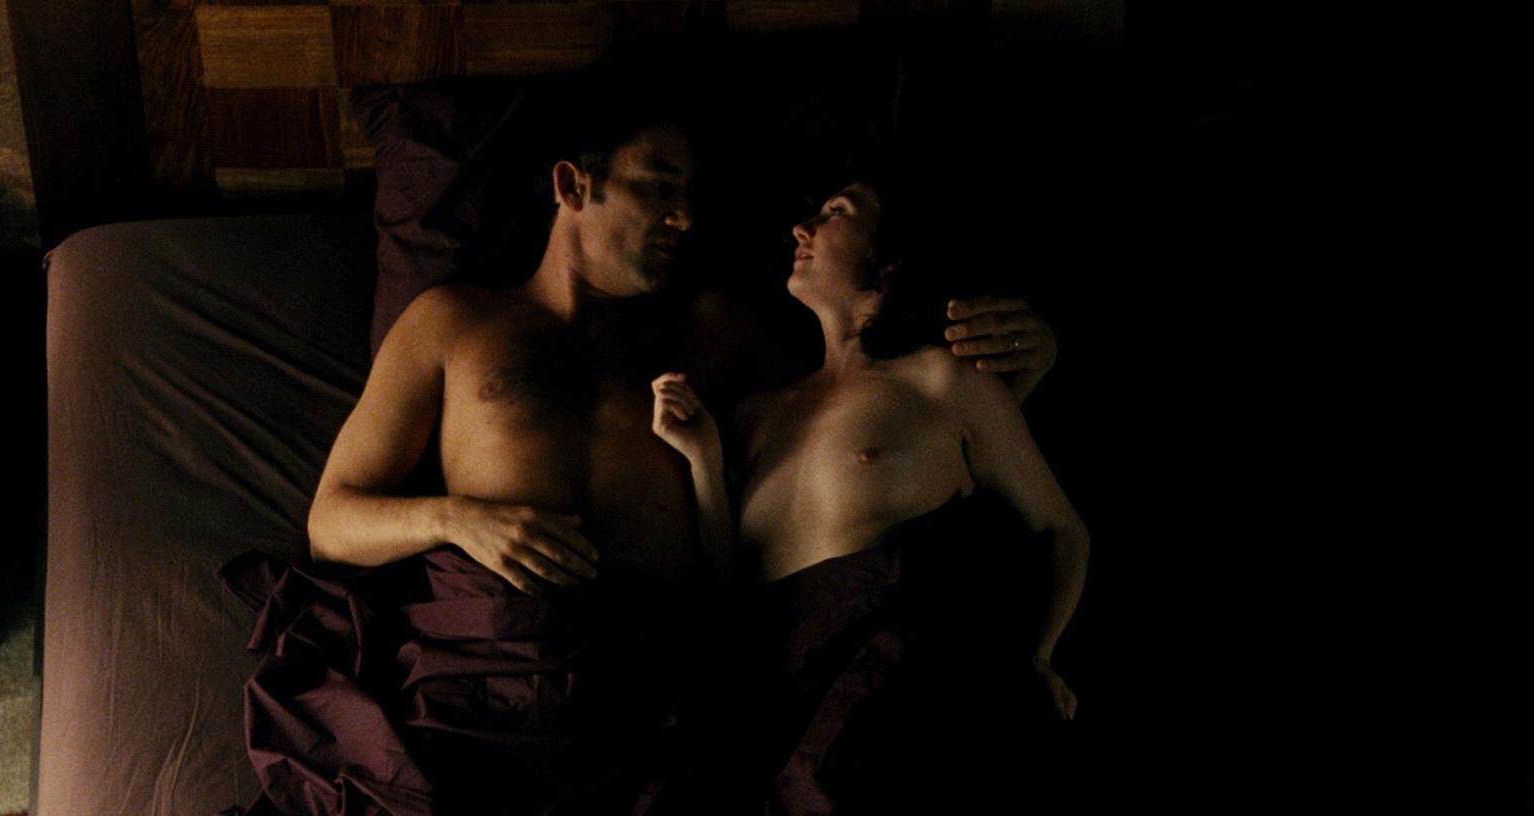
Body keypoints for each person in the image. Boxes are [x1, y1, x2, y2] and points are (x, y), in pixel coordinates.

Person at [238, 92, 1064, 812]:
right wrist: (458, 520)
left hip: (646, 701)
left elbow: (870, 402)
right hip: (481, 670)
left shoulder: (717, 335)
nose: (686, 217)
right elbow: (332, 522)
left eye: (691, 195)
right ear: (573, 185)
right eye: (659, 185)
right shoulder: (454, 322)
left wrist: (1029, 364)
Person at [650, 172, 1090, 812]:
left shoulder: (940, 382)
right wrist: (702, 462)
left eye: (834, 212)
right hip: (764, 697)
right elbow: (729, 586)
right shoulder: (753, 416)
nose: (801, 229)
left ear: (888, 258)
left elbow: (1062, 529)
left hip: (881, 708)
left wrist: (1040, 655)